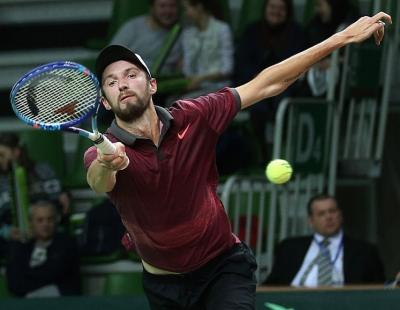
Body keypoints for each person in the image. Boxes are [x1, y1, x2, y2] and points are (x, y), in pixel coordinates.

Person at [84, 11, 390, 309]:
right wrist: (107, 163)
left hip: (223, 268)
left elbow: (268, 83)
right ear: (105, 101)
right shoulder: (103, 151)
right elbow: (99, 182)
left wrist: (340, 38)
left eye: (131, 75)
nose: (122, 84)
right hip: (165, 287)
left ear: (152, 85)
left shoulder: (194, 116)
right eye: (111, 82)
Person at [233, 0, 307, 162]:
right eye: (272, 7)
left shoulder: (296, 33)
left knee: (284, 103)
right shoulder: (252, 31)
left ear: (288, 12)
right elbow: (242, 63)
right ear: (265, 9)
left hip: (285, 86)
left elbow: (297, 63)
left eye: (281, 9)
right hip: (255, 85)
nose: (276, 12)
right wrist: (257, 79)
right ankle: (260, 156)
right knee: (257, 105)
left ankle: (285, 155)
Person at [264, 194, 385, 287]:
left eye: (332, 211)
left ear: (340, 215)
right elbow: (271, 285)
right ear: (311, 221)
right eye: (321, 214)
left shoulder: (365, 250)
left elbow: (380, 287)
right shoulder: (289, 248)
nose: (328, 217)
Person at [0, 133, 70, 257]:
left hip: (48, 234)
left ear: (16, 152)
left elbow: (60, 206)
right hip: (14, 240)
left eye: (2, 155)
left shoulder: (43, 171)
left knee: (64, 244)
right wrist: (6, 232)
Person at [5, 200, 81, 297]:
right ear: (31, 222)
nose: (45, 224)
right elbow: (13, 283)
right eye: (40, 220)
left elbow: (52, 274)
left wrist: (26, 277)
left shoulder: (67, 244)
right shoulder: (22, 245)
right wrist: (16, 244)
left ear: (56, 221)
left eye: (50, 219)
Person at [178, 0, 234, 99]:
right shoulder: (187, 33)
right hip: (195, 88)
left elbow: (227, 69)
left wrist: (201, 79)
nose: (186, 13)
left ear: (199, 7)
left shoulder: (222, 29)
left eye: (187, 9)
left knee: (183, 103)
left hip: (218, 88)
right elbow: (187, 67)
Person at [110, 0, 182, 75]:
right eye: (162, 6)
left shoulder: (183, 32)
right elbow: (110, 56)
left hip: (164, 81)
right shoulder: (133, 27)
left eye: (172, 6)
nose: (168, 11)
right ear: (152, 8)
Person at [303, 0, 359, 97]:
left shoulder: (353, 24)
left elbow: (356, 57)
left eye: (319, 5)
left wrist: (333, 61)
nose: (317, 10)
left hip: (342, 84)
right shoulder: (314, 26)